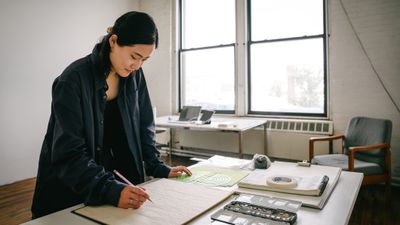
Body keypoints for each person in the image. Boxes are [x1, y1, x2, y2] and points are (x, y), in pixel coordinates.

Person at [31, 11, 192, 219]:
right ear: (114, 41)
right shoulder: (72, 80)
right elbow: (68, 153)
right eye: (135, 57)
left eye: (144, 60)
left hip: (111, 185)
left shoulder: (135, 76)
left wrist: (158, 167)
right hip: (69, 190)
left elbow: (143, 126)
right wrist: (109, 189)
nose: (137, 65)